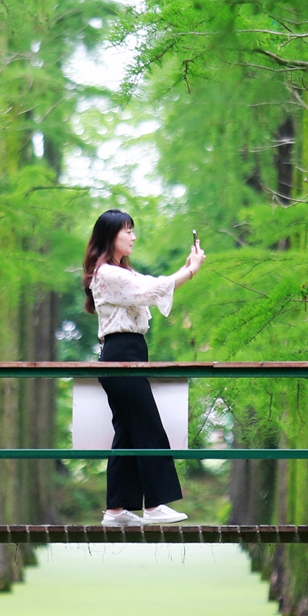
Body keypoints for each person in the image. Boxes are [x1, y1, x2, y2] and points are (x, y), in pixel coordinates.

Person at [82, 209, 206, 527]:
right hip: (121, 353)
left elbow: (152, 285)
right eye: (128, 231)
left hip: (128, 351)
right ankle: (153, 505)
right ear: (111, 235)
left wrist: (187, 269)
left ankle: (116, 510)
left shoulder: (120, 273)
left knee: (127, 431)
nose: (134, 237)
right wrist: (191, 271)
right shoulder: (108, 274)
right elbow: (153, 290)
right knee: (147, 426)